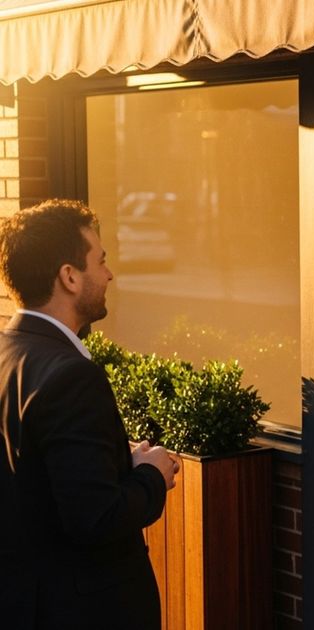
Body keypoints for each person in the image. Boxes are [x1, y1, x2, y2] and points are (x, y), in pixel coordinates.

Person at [0, 199, 178, 629]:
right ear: (69, 277)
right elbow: (96, 518)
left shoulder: (7, 354)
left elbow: (41, 484)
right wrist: (152, 473)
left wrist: (121, 464)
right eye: (100, 260)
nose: (109, 274)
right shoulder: (73, 376)